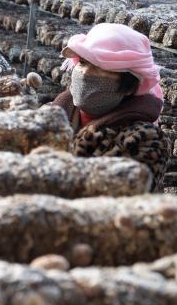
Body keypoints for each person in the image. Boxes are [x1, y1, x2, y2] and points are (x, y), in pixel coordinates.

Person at [51, 22, 170, 189]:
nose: (85, 73)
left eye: (100, 68)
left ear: (129, 87)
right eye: (83, 63)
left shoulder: (144, 139)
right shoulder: (55, 113)